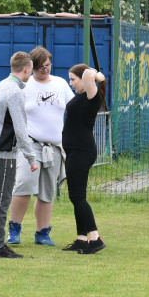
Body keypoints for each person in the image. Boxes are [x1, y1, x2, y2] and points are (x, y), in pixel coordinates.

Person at [7, 46, 74, 246]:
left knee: (47, 192)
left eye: (48, 66)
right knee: (24, 185)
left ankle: (42, 232)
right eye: (40, 67)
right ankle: (14, 229)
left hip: (54, 146)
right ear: (31, 68)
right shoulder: (24, 86)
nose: (45, 70)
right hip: (30, 145)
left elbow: (73, 107)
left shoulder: (60, 83)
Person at [0, 51, 40, 259]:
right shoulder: (15, 92)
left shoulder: (1, 85)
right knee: (3, 199)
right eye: (31, 69)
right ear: (26, 69)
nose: (31, 73)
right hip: (3, 152)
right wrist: (31, 158)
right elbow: (20, 128)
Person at [61, 64, 107, 253]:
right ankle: (81, 239)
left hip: (82, 150)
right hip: (74, 150)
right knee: (76, 197)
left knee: (78, 197)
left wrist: (95, 74)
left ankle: (94, 238)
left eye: (73, 79)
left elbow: (88, 73)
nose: (71, 83)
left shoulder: (91, 97)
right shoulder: (82, 97)